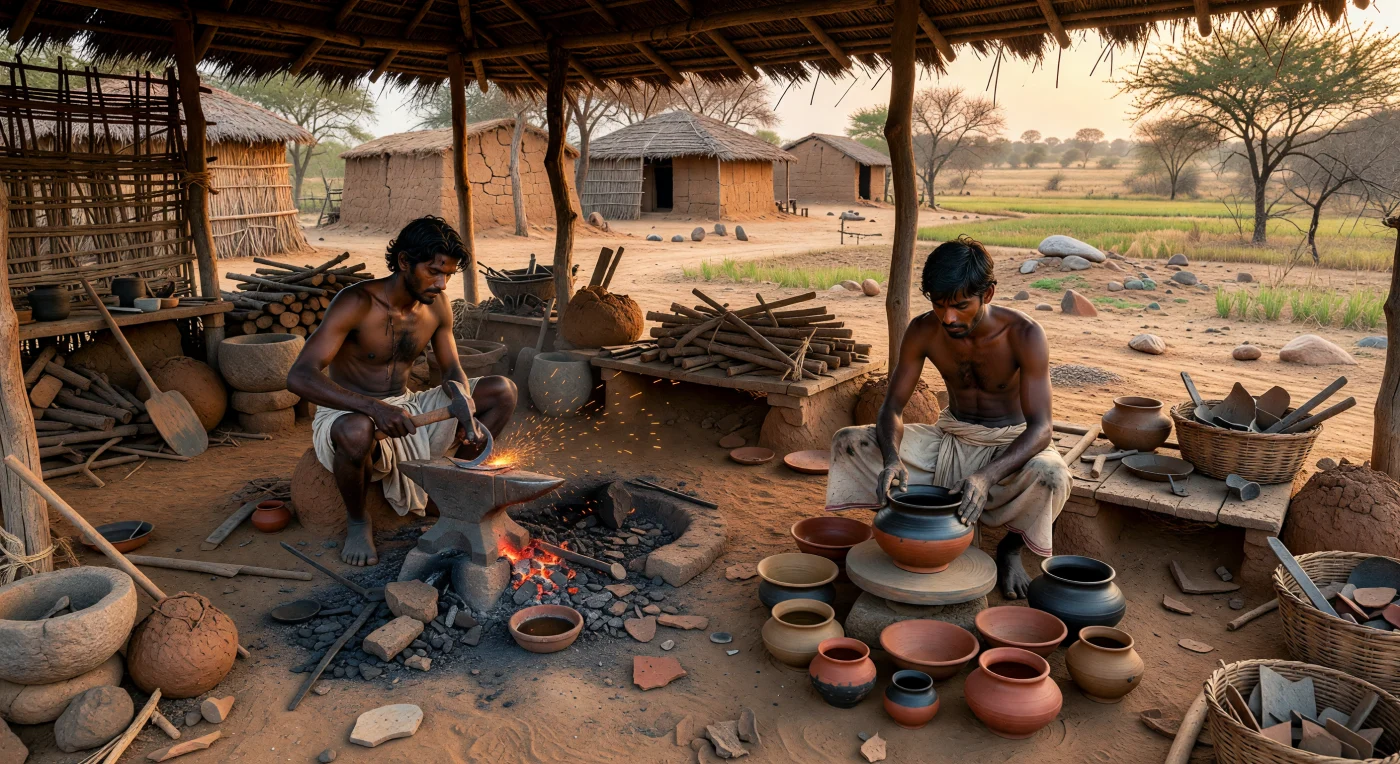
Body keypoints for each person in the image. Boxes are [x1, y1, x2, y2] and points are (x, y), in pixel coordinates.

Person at [825, 236, 1070, 598]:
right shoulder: (924, 330)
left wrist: (986, 477)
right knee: (848, 441)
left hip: (1008, 445)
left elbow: (1042, 428)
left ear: (987, 294)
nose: (948, 318)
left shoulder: (1025, 334)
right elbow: (891, 408)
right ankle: (904, 529)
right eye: (939, 305)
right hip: (949, 437)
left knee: (1052, 475)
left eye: (960, 305)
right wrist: (892, 459)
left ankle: (1010, 550)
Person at [287, 216, 517, 567]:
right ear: (405, 262)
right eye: (434, 271)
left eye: (449, 275)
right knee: (355, 429)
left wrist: (459, 395)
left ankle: (452, 493)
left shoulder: (436, 306)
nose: (441, 284)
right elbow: (300, 376)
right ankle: (358, 521)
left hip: (407, 406)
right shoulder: (357, 303)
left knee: (503, 390)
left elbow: (451, 368)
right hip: (349, 410)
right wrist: (374, 409)